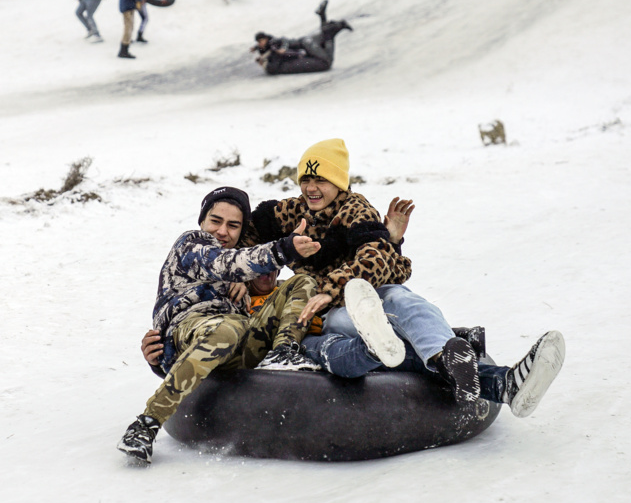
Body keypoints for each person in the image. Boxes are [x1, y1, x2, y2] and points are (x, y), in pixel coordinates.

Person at [139, 140, 565, 415]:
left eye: (320, 178)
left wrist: (383, 247)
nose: (311, 187)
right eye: (306, 178)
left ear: (338, 183)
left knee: (396, 298)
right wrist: (159, 347)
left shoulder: (353, 212)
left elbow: (376, 259)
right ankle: (484, 372)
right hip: (310, 324)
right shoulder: (250, 246)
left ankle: (457, 357)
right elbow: (225, 255)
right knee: (346, 347)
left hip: (334, 303)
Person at [116, 187, 320, 464]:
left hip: (235, 343)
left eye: (233, 225)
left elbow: (239, 268)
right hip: (192, 326)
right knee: (228, 328)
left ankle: (283, 353)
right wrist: (283, 248)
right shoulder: (189, 246)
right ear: (202, 221)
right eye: (216, 220)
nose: (222, 231)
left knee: (302, 282)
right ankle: (146, 423)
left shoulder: (239, 278)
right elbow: (221, 263)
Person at [251, 0, 351, 75]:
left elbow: (278, 46)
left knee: (327, 60)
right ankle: (329, 21)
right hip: (308, 49)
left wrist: (278, 51)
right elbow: (275, 64)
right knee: (326, 51)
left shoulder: (273, 46)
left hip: (306, 46)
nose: (261, 44)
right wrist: (265, 58)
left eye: (261, 41)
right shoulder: (272, 54)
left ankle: (333, 25)